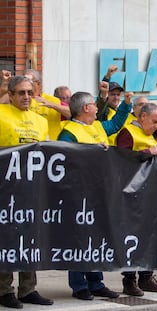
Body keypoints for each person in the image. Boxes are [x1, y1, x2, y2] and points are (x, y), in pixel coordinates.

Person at [58, 91, 133, 300]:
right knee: (79, 238)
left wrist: (126, 104)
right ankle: (79, 285)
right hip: (79, 193)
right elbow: (66, 160)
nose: (97, 108)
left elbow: (116, 124)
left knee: (97, 236)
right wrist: (90, 151)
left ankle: (96, 282)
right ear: (85, 108)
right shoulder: (68, 132)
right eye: (94, 104)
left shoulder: (98, 126)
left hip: (101, 190)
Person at [0, 76, 53, 309]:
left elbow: (49, 150)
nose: (26, 97)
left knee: (30, 239)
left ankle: (28, 288)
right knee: (7, 239)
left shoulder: (40, 120)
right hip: (6, 189)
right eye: (21, 93)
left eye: (30, 92)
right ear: (10, 94)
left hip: (32, 189)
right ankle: (3, 289)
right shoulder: (1, 115)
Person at [115, 103, 157, 295]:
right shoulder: (128, 132)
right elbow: (121, 158)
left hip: (151, 193)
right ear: (143, 116)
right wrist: (146, 153)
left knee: (150, 234)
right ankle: (129, 280)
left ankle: (147, 276)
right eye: (154, 121)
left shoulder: (152, 136)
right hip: (132, 193)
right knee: (133, 235)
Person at [24, 69, 70, 140]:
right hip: (26, 144)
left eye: (28, 81)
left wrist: (52, 105)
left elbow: (74, 113)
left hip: (50, 146)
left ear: (38, 83)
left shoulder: (53, 100)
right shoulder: (19, 100)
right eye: (23, 81)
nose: (24, 84)